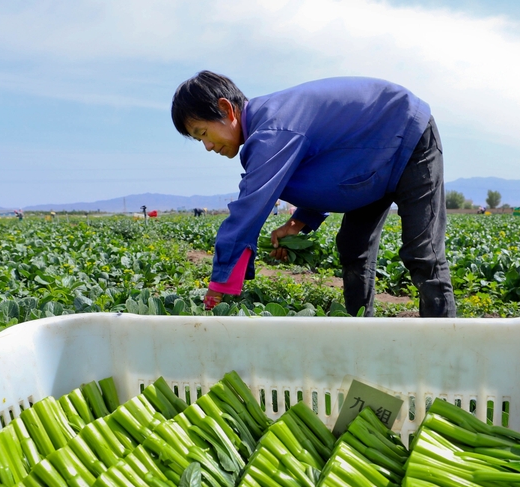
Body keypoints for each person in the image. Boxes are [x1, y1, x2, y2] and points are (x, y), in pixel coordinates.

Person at [171, 71, 456, 317]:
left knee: (423, 253)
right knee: (353, 245)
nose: (207, 146)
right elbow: (327, 167)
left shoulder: (273, 131)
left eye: (203, 133)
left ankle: (444, 347)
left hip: (408, 134)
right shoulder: (271, 131)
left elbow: (247, 212)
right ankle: (361, 330)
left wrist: (218, 287)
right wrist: (298, 222)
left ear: (226, 109)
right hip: (367, 160)